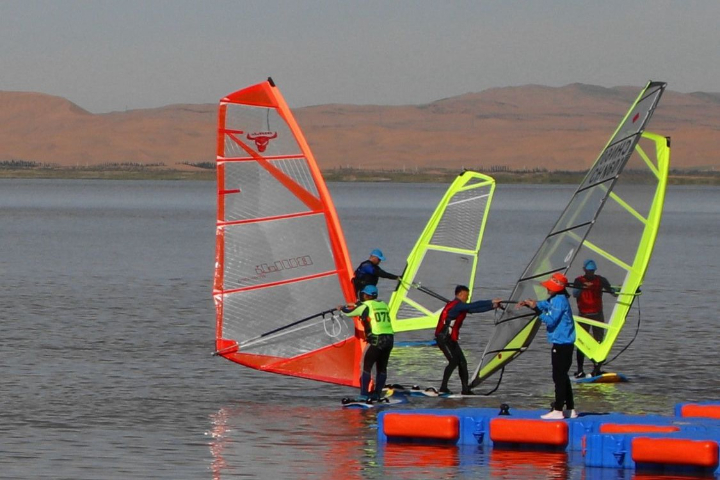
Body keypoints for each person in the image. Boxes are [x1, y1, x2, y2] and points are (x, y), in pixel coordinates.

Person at [518, 272, 577, 420]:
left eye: (549, 287)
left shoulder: (559, 301)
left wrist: (536, 310)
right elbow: (545, 304)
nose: (547, 289)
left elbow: (550, 320)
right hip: (564, 343)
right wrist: (531, 303)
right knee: (563, 376)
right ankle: (570, 409)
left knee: (558, 377)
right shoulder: (556, 298)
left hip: (562, 344)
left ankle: (558, 410)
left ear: (557, 289)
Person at [434, 285, 502, 395]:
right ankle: (443, 387)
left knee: (463, 362)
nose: (468, 297)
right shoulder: (457, 306)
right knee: (453, 361)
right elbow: (474, 305)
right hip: (443, 338)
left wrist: (493, 306)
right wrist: (491, 301)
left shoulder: (460, 306)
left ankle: (465, 389)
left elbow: (475, 309)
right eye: (466, 295)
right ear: (460, 294)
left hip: (450, 339)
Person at [339, 285, 394, 402]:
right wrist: (356, 305)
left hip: (376, 339)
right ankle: (377, 394)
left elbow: (349, 313)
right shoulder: (384, 304)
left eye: (364, 294)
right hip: (389, 339)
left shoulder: (366, 306)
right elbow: (369, 310)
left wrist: (342, 308)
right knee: (382, 368)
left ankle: (364, 395)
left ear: (366, 296)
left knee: (365, 366)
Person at [572, 259, 617, 378]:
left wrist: (628, 290)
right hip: (584, 316)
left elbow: (612, 292)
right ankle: (580, 370)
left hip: (597, 315)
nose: (590, 273)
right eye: (588, 271)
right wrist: (582, 286)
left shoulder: (601, 280)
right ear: (584, 270)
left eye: (592, 271)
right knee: (581, 343)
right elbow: (575, 294)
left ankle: (597, 369)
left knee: (599, 342)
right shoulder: (578, 280)